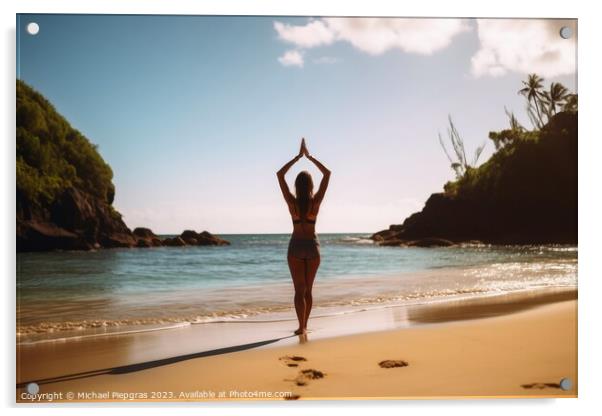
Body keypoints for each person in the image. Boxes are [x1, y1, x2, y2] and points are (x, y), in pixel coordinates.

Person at [277, 138, 331, 335]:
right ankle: (305, 326)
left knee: (299, 291)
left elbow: (280, 175)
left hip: (296, 247)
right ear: (310, 185)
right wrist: (310, 157)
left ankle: (300, 327)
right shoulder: (315, 204)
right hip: (312, 246)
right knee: (308, 291)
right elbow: (327, 174)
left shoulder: (292, 203)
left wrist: (297, 158)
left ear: (296, 186)